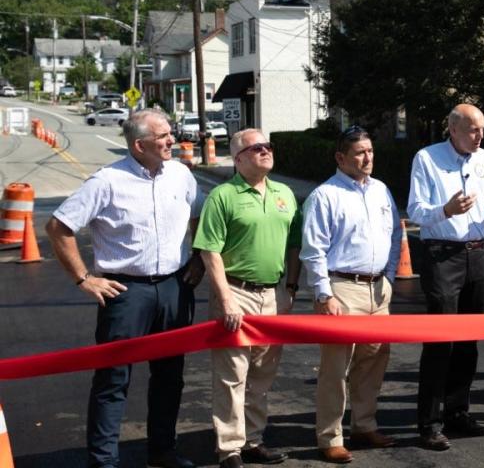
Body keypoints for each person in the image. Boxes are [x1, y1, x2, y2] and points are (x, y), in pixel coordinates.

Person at [46, 109, 204, 468]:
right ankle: (104, 461)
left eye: (171, 133)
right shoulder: (106, 181)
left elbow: (199, 217)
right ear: (139, 145)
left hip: (175, 287)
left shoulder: (181, 175)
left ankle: (162, 452)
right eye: (163, 135)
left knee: (170, 376)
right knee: (113, 379)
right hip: (126, 292)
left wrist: (197, 258)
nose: (172, 140)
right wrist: (84, 279)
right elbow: (58, 228)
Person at [193, 129, 301, 468]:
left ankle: (254, 440)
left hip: (274, 293)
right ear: (238, 158)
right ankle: (229, 448)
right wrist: (225, 300)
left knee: (262, 375)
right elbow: (209, 251)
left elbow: (294, 244)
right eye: (257, 148)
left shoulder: (285, 193)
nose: (266, 151)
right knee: (232, 375)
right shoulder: (222, 196)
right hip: (236, 292)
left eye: (268, 146)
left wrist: (292, 288)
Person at [407, 104, 484, 450]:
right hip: (442, 254)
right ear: (452, 129)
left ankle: (457, 411)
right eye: (472, 130)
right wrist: (446, 210)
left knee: (469, 338)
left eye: (482, 129)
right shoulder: (427, 158)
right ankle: (430, 422)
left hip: (478, 253)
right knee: (441, 339)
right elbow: (415, 211)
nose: (480, 136)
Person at [300, 126, 401, 464]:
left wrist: (387, 278)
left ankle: (364, 425)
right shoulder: (325, 195)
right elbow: (313, 250)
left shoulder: (381, 190)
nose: (367, 158)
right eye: (359, 152)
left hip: (377, 290)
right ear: (340, 158)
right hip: (341, 288)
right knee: (336, 367)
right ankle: (330, 437)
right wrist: (324, 293)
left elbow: (393, 236)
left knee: (373, 361)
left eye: (370, 151)